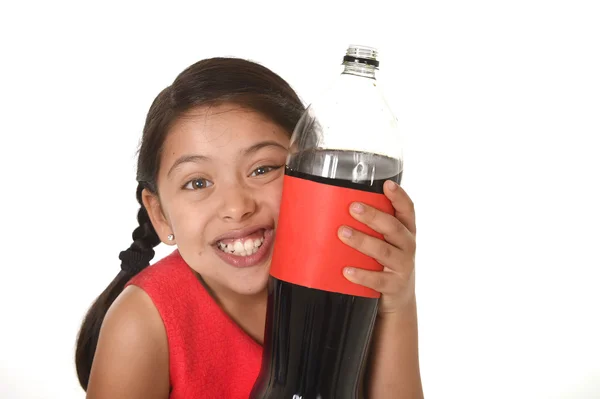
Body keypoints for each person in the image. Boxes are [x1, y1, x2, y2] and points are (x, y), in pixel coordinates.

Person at [75, 57, 424, 399]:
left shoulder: (346, 279)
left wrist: (398, 303)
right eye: (197, 183)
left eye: (262, 169)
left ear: (314, 174)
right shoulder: (142, 323)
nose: (237, 207)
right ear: (161, 216)